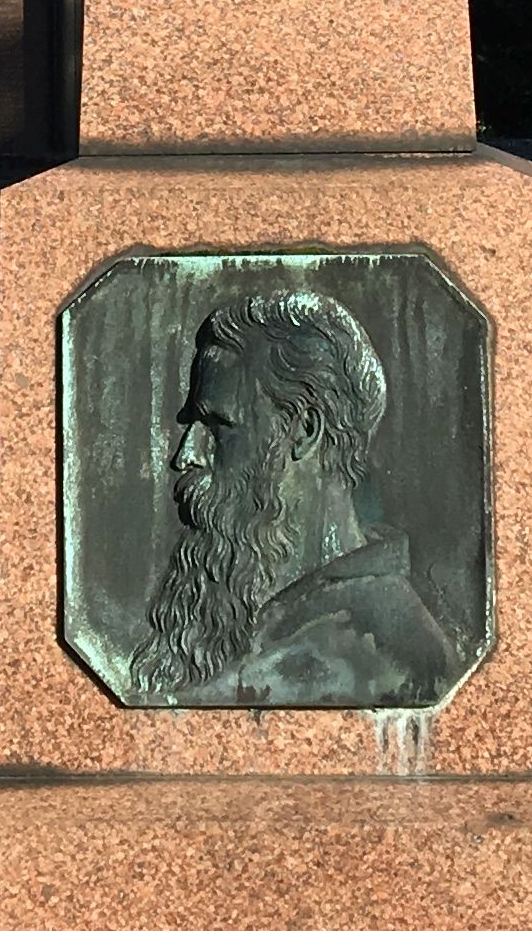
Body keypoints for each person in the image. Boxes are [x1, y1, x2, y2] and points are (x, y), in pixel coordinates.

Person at [132, 288, 460, 707]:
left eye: (219, 426)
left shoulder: (396, 657)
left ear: (304, 431)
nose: (186, 456)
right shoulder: (242, 600)